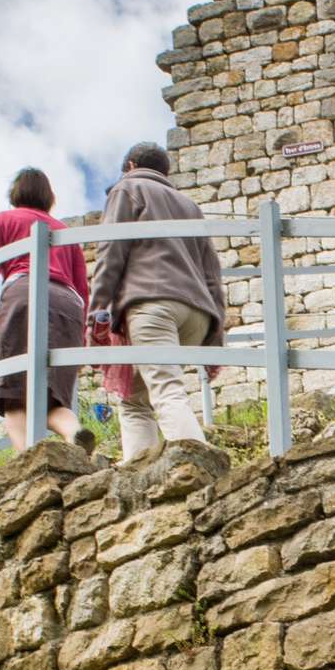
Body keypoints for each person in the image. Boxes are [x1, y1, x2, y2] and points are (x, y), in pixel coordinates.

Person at [90, 143, 226, 462]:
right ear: (166, 172)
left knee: (165, 390)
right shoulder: (189, 205)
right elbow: (212, 271)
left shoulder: (128, 188)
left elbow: (111, 252)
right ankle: (140, 470)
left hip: (153, 305)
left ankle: (201, 467)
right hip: (196, 314)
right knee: (136, 398)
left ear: (131, 165)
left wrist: (98, 311)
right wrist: (215, 330)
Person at [0, 167, 90, 447]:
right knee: (54, 395)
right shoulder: (62, 230)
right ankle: (74, 433)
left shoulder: (3, 220)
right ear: (49, 196)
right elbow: (82, 287)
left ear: (15, 193)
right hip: (68, 306)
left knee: (13, 396)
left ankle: (27, 461)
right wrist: (81, 339)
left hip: (24, 297)